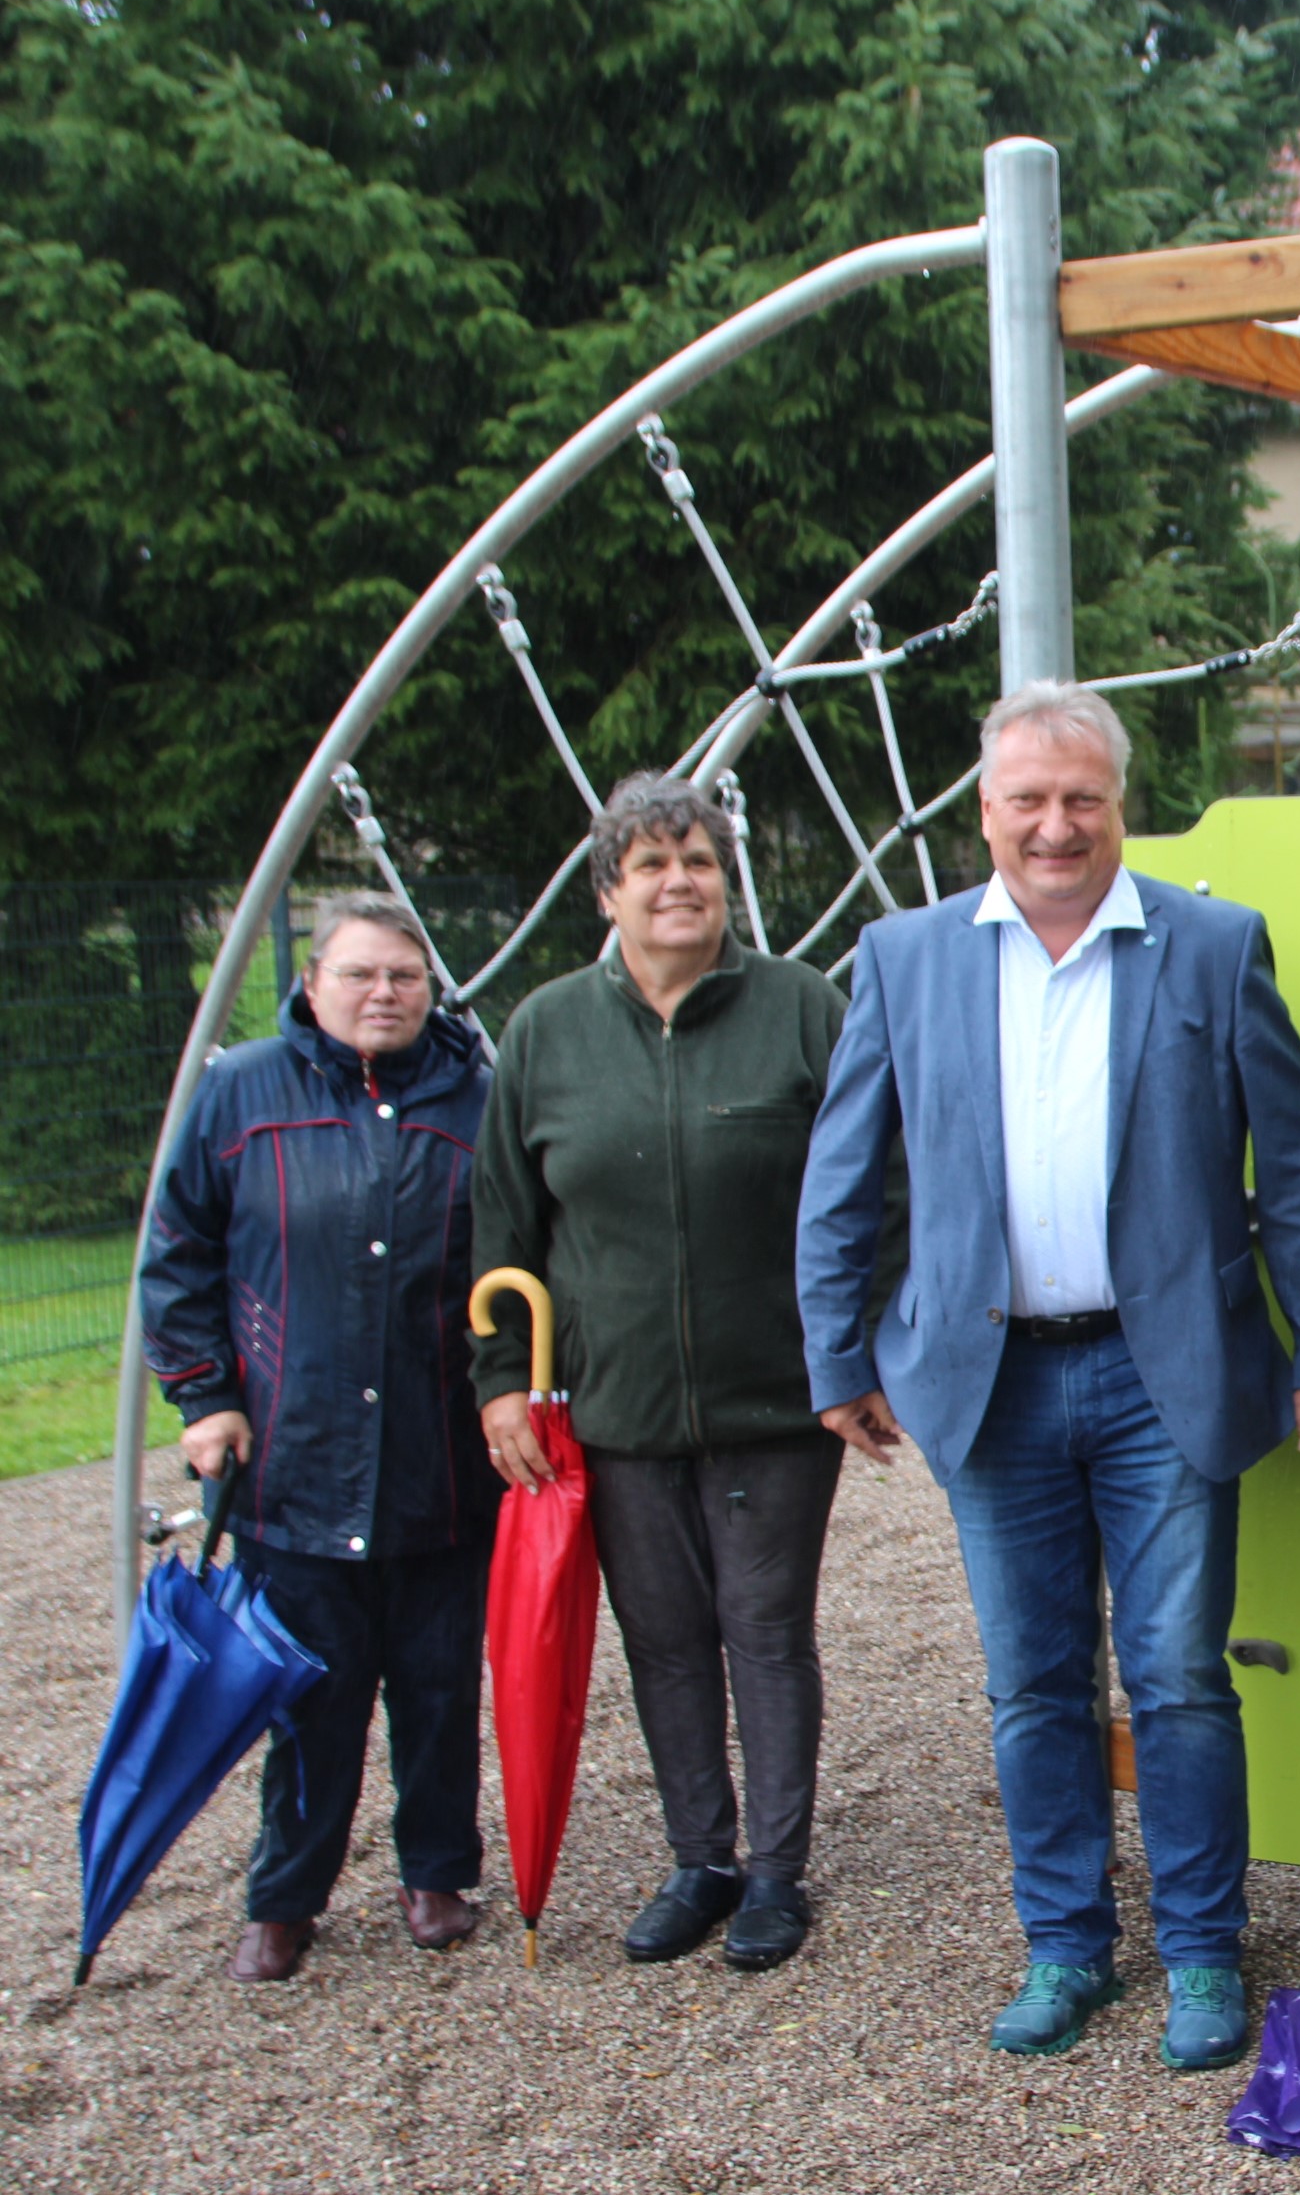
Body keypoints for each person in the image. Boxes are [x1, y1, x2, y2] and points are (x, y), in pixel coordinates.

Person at [795, 682, 1300, 2073]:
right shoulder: (903, 956)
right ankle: (1064, 1945)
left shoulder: (1213, 946)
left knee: (1177, 1677)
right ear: (982, 810)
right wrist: (835, 1350)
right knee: (1033, 1685)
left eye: (1082, 798)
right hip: (985, 1381)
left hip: (1159, 1372)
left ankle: (1201, 1951)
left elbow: (1294, 1164)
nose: (1056, 825)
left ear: (1120, 802)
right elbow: (846, 1173)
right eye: (1027, 800)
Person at [474, 771, 860, 1973]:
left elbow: (865, 1189)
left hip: (772, 1397)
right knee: (665, 1636)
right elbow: (502, 1222)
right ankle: (701, 1854)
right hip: (620, 1401)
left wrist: (856, 1350)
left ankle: (777, 1874)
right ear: (608, 891)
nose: (678, 880)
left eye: (697, 858)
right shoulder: (546, 1030)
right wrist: (500, 1379)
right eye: (651, 864)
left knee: (762, 1624)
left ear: (725, 878)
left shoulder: (800, 1006)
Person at [140, 893, 498, 1983]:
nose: (382, 993)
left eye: (404, 975)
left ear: (430, 990)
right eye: (359, 973)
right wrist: (205, 1394)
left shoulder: (475, 1098)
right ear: (313, 983)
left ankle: (436, 1872)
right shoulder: (241, 1093)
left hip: (440, 1455)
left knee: (437, 1684)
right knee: (309, 1693)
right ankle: (286, 1893)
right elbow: (179, 1253)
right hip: (293, 1459)